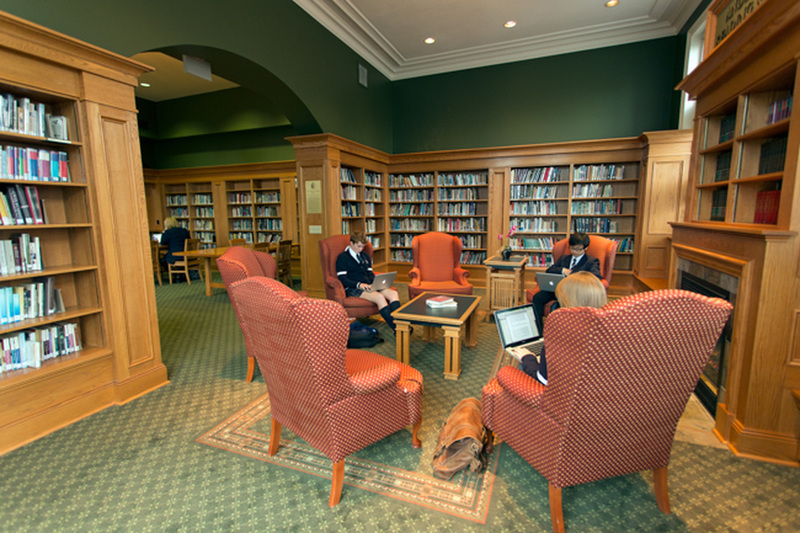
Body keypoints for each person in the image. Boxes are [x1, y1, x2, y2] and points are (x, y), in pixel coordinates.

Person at [520, 271, 607, 385]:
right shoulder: (611, 330)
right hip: (597, 389)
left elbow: (543, 380)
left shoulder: (560, 333)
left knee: (515, 367)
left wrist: (528, 358)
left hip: (561, 393)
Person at [531, 232, 602, 334]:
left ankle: (561, 333)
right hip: (557, 289)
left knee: (561, 303)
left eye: (578, 249)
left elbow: (596, 276)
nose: (575, 251)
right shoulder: (564, 258)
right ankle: (538, 331)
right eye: (572, 248)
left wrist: (573, 274)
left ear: (586, 248)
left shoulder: (591, 261)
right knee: (538, 297)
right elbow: (550, 270)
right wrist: (562, 270)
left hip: (575, 293)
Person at [336, 231, 401, 332]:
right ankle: (398, 329)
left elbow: (370, 273)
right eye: (358, 246)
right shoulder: (343, 257)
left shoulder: (365, 256)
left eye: (362, 247)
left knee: (393, 294)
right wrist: (359, 284)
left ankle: (401, 325)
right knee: (379, 297)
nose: (361, 249)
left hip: (369, 285)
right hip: (354, 288)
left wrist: (376, 283)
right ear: (351, 243)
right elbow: (342, 279)